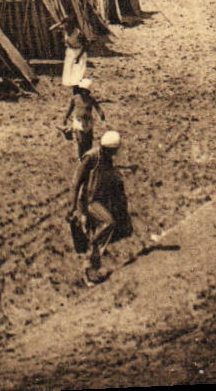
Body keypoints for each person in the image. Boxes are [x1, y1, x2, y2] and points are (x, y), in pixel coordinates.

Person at [70, 130, 132, 284]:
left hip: (99, 201)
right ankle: (90, 261)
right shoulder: (91, 157)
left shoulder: (106, 158)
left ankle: (91, 272)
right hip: (88, 202)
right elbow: (76, 182)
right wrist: (72, 208)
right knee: (107, 223)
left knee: (98, 233)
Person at [60, 78, 107, 159]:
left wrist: (101, 114)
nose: (84, 93)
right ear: (80, 90)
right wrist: (65, 117)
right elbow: (70, 108)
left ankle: (88, 157)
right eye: (83, 91)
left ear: (89, 92)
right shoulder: (75, 98)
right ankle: (80, 156)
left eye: (86, 91)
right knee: (80, 140)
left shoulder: (91, 99)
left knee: (88, 140)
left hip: (88, 122)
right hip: (78, 122)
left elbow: (97, 107)